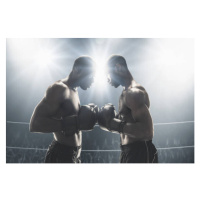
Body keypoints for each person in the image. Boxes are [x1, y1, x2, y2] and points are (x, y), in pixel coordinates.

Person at [29, 56, 98, 163]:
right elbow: (35, 124)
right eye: (91, 75)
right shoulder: (59, 89)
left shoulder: (74, 90)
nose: (93, 80)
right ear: (78, 69)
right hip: (61, 154)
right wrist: (73, 122)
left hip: (75, 155)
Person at [98, 55, 158, 163]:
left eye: (108, 74)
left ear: (118, 67)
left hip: (140, 151)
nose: (107, 79)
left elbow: (147, 131)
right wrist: (110, 121)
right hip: (127, 151)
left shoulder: (133, 93)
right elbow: (127, 125)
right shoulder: (125, 93)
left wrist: (114, 124)